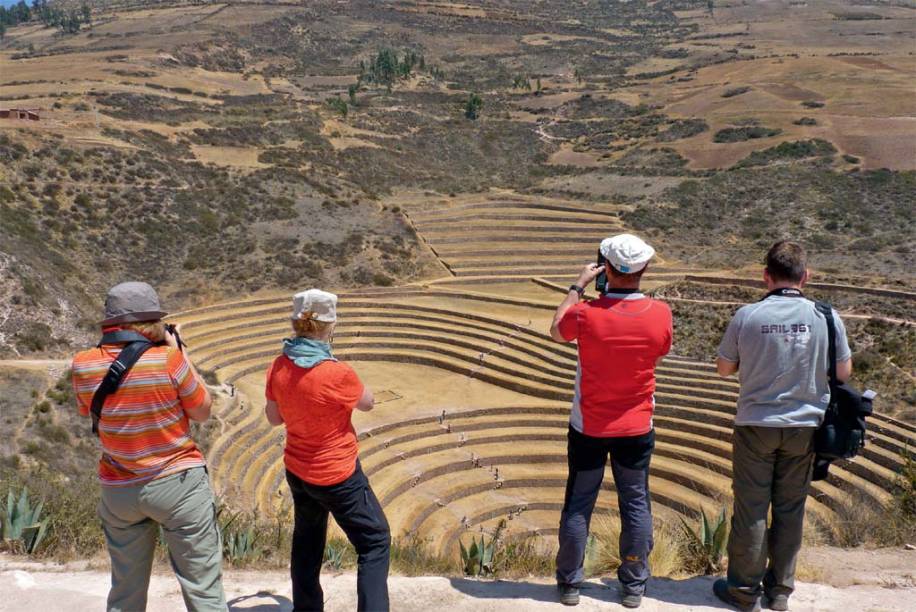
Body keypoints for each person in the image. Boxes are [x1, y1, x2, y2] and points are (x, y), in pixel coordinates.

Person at [713, 241, 853, 612]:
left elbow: (724, 368)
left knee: (752, 508)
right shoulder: (827, 316)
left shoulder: (747, 315)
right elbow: (843, 373)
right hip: (806, 426)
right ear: (805, 277)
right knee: (791, 508)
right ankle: (779, 592)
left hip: (756, 423)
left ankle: (743, 591)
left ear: (765, 276)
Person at [71, 281, 226, 612]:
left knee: (125, 591)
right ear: (150, 322)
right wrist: (183, 355)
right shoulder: (169, 360)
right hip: (178, 484)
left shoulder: (82, 364)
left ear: (110, 324)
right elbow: (203, 410)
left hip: (119, 489)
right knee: (203, 589)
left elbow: (89, 410)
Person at [549, 234, 673, 609]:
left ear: (606, 268)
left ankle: (570, 584)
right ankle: (633, 586)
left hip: (589, 426)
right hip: (636, 427)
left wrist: (577, 287)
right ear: (644, 269)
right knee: (635, 504)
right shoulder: (660, 313)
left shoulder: (586, 314)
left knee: (579, 503)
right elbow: (660, 351)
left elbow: (556, 330)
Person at [264, 289, 390, 612]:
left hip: (298, 471)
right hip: (338, 475)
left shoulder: (279, 366)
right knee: (375, 542)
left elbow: (273, 417)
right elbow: (369, 402)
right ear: (329, 326)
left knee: (307, 541)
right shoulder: (336, 372)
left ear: (295, 324)